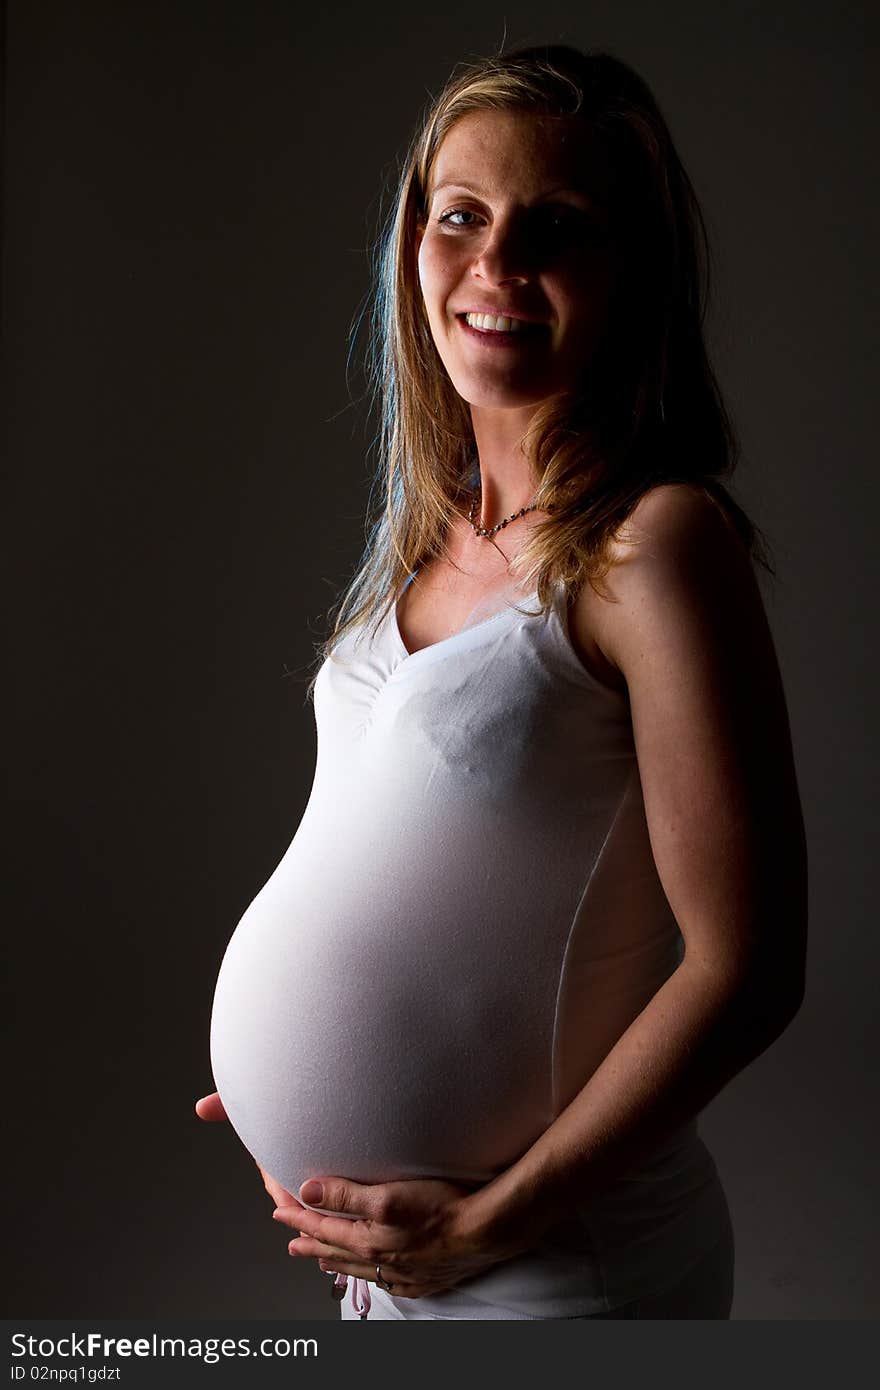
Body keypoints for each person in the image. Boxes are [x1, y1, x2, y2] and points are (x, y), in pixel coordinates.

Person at [196, 43, 807, 1321]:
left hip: (553, 1261)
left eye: (558, 229)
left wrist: (490, 1216)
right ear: (411, 241)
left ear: (633, 274)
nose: (494, 266)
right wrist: (281, 1076)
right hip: (399, 1259)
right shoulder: (423, 540)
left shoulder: (657, 543)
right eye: (459, 216)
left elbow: (747, 965)